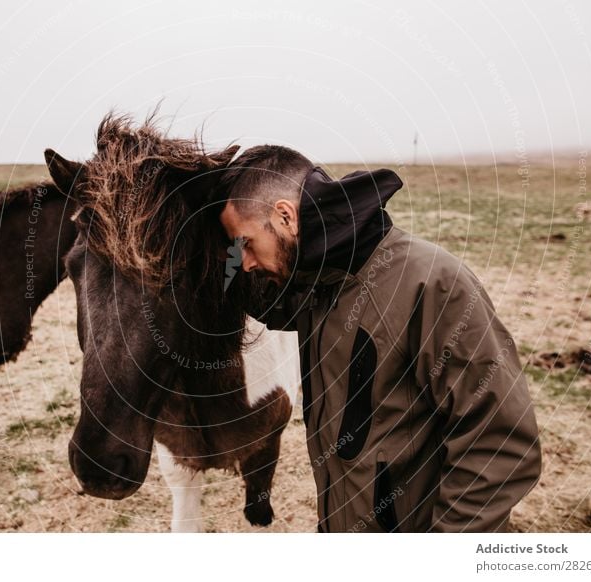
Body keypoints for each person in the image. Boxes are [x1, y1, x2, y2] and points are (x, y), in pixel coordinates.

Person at [216, 145, 542, 532]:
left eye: (246, 243)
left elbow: (501, 442)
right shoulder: (320, 282)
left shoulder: (432, 282)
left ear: (285, 216)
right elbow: (264, 298)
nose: (246, 261)